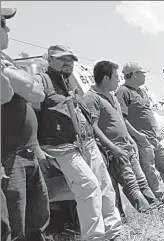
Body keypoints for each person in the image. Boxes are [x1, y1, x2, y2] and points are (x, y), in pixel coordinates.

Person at [33, 45, 122, 240]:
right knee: (88, 185)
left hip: (86, 142)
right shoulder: (41, 81)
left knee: (105, 185)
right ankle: (94, 237)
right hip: (60, 147)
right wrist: (36, 147)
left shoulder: (69, 83)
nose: (67, 62)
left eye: (70, 59)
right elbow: (30, 115)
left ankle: (113, 233)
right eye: (61, 58)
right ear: (49, 60)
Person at [84, 60, 160, 214]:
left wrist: (131, 141)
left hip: (128, 147)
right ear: (106, 79)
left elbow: (121, 122)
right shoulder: (92, 98)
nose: (119, 80)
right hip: (115, 150)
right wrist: (114, 148)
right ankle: (149, 213)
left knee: (141, 181)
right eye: (116, 77)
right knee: (131, 184)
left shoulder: (112, 98)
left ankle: (156, 208)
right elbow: (93, 127)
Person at [1, 8, 50, 240]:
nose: (7, 29)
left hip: (27, 151)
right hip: (8, 156)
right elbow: (33, 90)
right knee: (14, 224)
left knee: (37, 220)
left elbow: (36, 92)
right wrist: (25, 80)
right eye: (2, 23)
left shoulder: (6, 61)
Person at [115, 62, 164, 202]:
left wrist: (156, 131)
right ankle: (162, 200)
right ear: (134, 74)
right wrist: (137, 135)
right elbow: (121, 118)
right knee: (150, 171)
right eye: (142, 73)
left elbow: (147, 113)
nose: (144, 76)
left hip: (153, 138)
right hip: (141, 140)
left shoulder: (142, 91)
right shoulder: (123, 92)